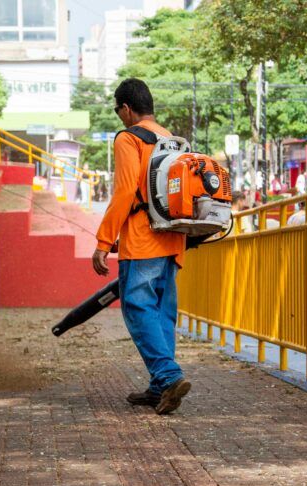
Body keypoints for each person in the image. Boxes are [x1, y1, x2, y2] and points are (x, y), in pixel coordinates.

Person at [91, 78, 191, 415]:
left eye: (118, 111)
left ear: (126, 108)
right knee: (162, 311)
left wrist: (104, 242)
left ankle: (167, 373)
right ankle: (160, 387)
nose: (119, 117)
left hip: (143, 239)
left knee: (136, 306)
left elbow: (123, 192)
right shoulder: (172, 139)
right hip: (173, 238)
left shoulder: (128, 138)